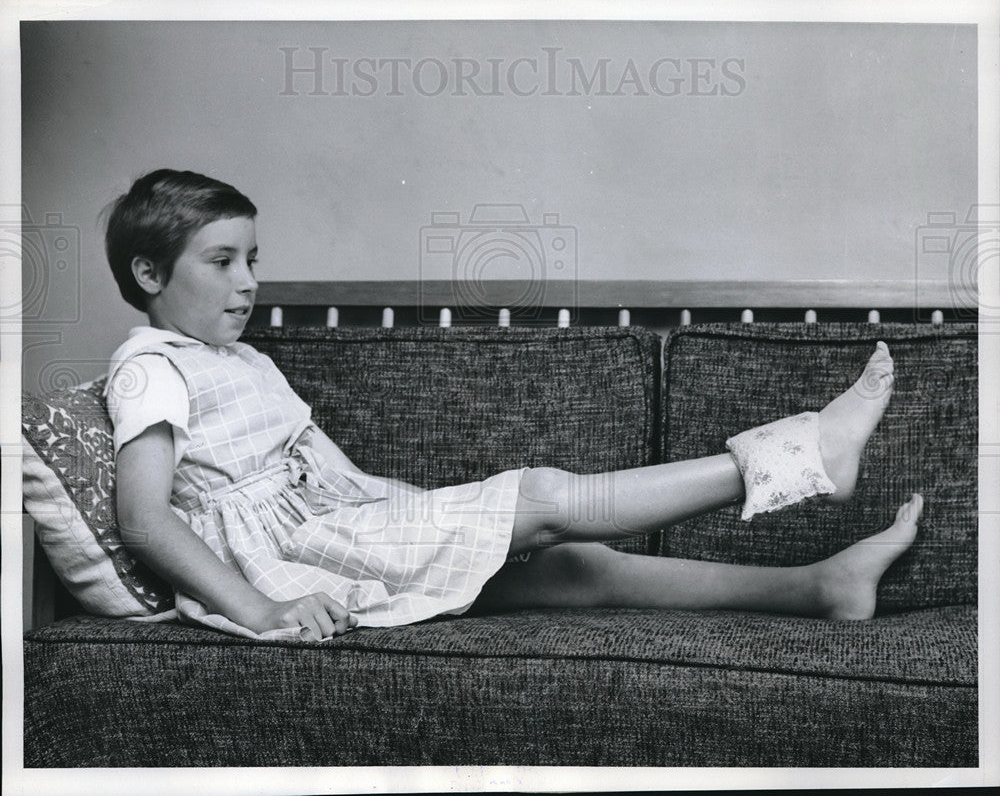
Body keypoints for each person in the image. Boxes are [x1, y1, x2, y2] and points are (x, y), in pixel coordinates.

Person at [104, 169, 920, 643]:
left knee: (578, 566)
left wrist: (433, 518)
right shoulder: (147, 365)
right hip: (295, 565)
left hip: (347, 534)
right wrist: (262, 607)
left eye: (253, 258)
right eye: (222, 261)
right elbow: (144, 519)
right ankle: (807, 453)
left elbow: (336, 474)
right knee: (540, 495)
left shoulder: (241, 360)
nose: (248, 282)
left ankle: (820, 586)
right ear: (149, 274)